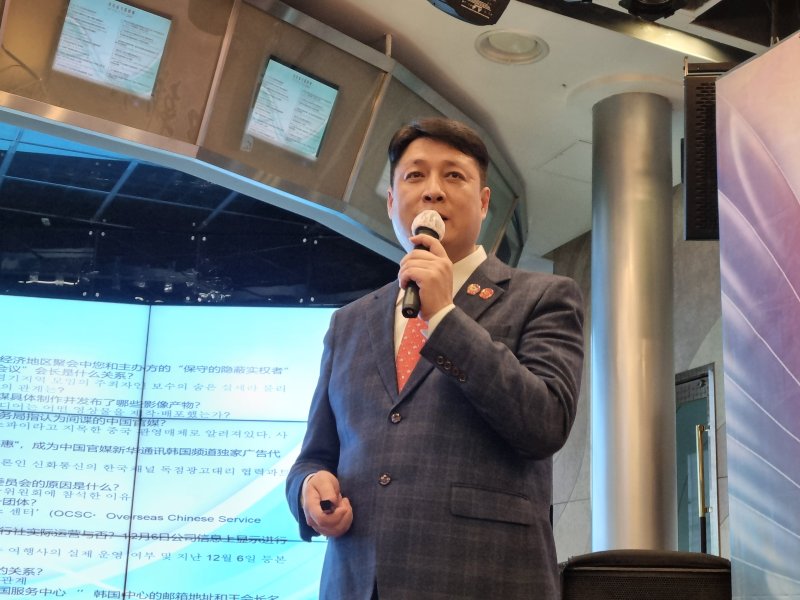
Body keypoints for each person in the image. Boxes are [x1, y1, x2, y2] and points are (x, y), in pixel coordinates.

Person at [286, 117, 584, 599]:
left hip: (484, 579)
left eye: (453, 175)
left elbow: (545, 424)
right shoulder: (349, 322)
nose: (432, 191)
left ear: (483, 203)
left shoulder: (543, 296)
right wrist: (308, 488)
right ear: (391, 202)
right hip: (358, 582)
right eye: (415, 175)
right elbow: (315, 456)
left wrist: (445, 317)